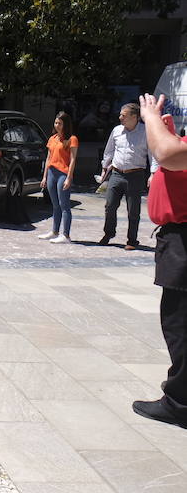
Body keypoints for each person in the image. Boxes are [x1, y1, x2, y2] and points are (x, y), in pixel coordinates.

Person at [132, 93, 187, 429]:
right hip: (179, 236)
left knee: (180, 324)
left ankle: (180, 404)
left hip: (183, 240)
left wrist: (150, 116)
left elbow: (166, 153)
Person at [98, 103, 158, 250]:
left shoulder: (145, 132)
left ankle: (132, 240)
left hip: (135, 175)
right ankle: (108, 233)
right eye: (120, 114)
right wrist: (104, 169)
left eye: (123, 115)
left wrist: (153, 174)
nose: (120, 118)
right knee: (110, 205)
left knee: (133, 210)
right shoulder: (117, 131)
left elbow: (153, 154)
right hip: (116, 173)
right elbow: (109, 151)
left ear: (134, 117)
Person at [38, 112, 79, 244]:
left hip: (63, 173)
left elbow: (73, 159)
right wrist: (44, 177)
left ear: (65, 124)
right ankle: (54, 231)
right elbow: (48, 158)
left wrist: (69, 177)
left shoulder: (72, 139)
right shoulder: (52, 138)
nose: (57, 126)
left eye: (60, 123)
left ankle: (66, 235)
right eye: (56, 123)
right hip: (51, 172)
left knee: (64, 204)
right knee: (55, 204)